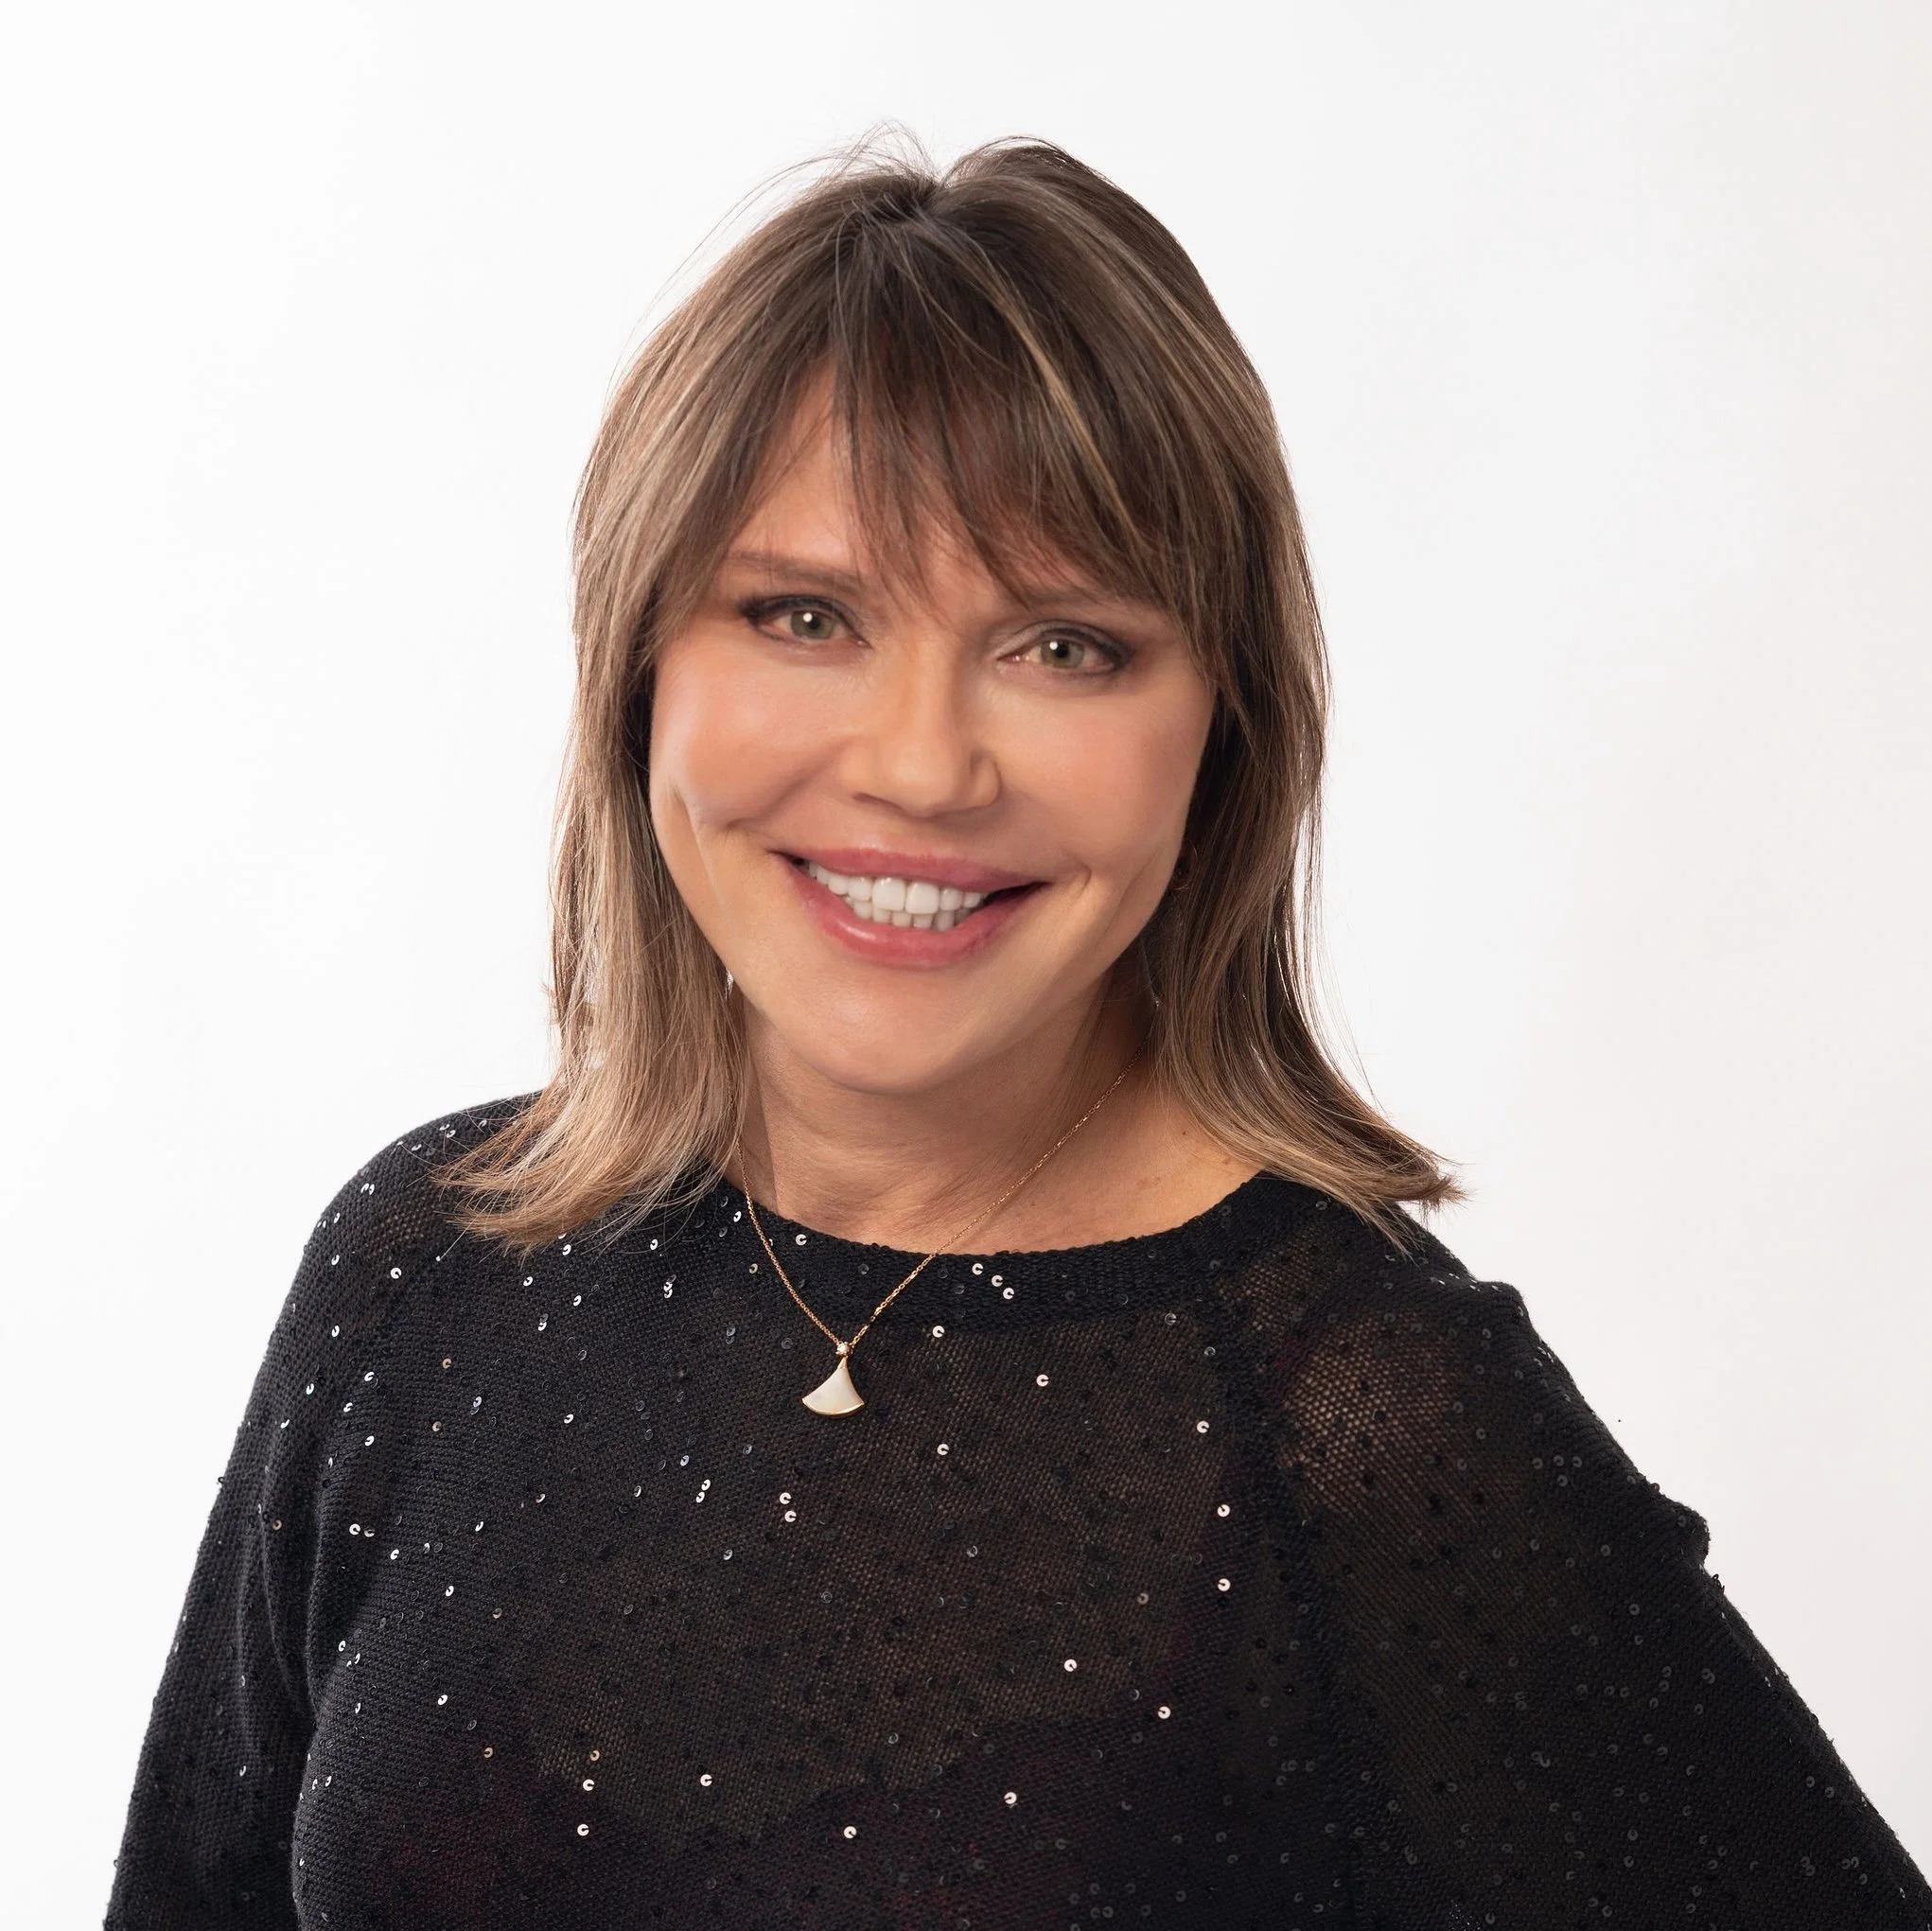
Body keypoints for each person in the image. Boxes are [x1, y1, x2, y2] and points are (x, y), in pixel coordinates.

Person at [107, 140, 1927, 1930]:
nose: (919, 764)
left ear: (1223, 726)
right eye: (802, 615)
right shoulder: (430, 1257)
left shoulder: (1365, 1426)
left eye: (1063, 645)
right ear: (639, 662)